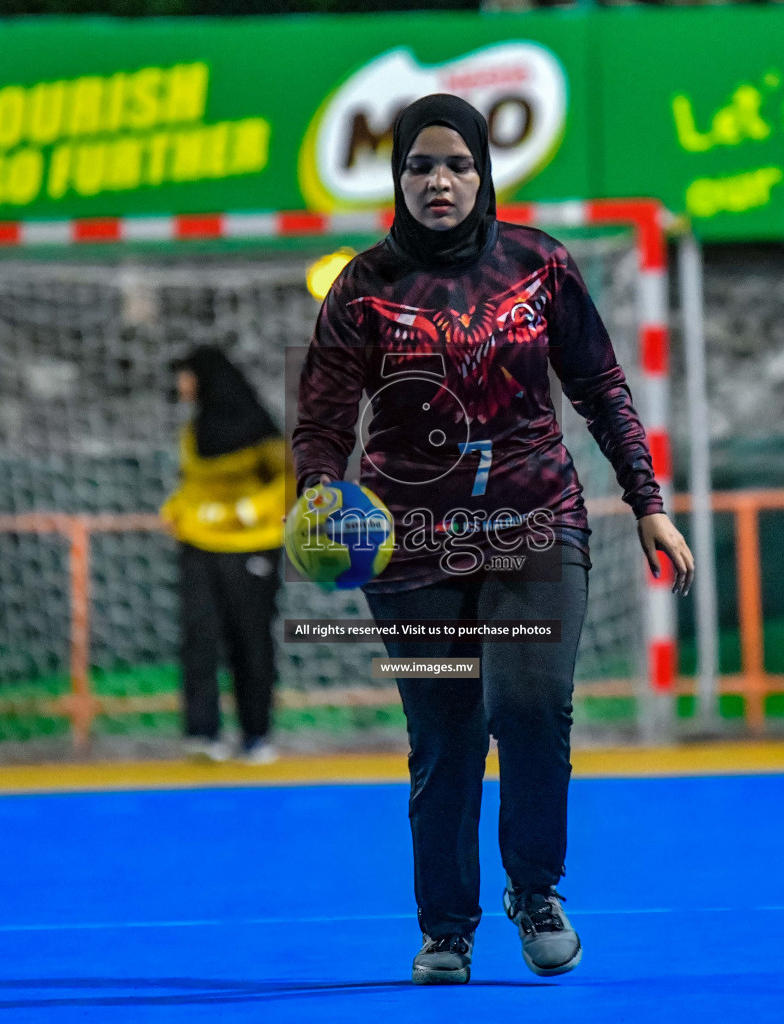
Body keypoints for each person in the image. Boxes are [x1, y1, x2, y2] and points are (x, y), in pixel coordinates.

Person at [292, 94, 695, 985]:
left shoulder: (540, 266)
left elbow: (602, 390)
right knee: (445, 735)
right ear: (397, 179)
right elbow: (320, 422)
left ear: (485, 173)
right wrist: (320, 494)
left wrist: (648, 501)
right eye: (419, 167)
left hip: (537, 526)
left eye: (457, 165)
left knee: (531, 703)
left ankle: (537, 891)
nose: (439, 181)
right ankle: (446, 929)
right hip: (410, 550)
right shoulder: (362, 289)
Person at [161, 346, 289, 766]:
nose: (182, 384)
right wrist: (176, 510)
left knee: (250, 640)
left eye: (187, 375)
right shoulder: (193, 431)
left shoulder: (260, 431)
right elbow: (192, 486)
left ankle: (256, 733)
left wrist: (250, 511)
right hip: (200, 546)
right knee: (198, 637)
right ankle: (202, 732)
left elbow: (292, 481)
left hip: (252, 547)